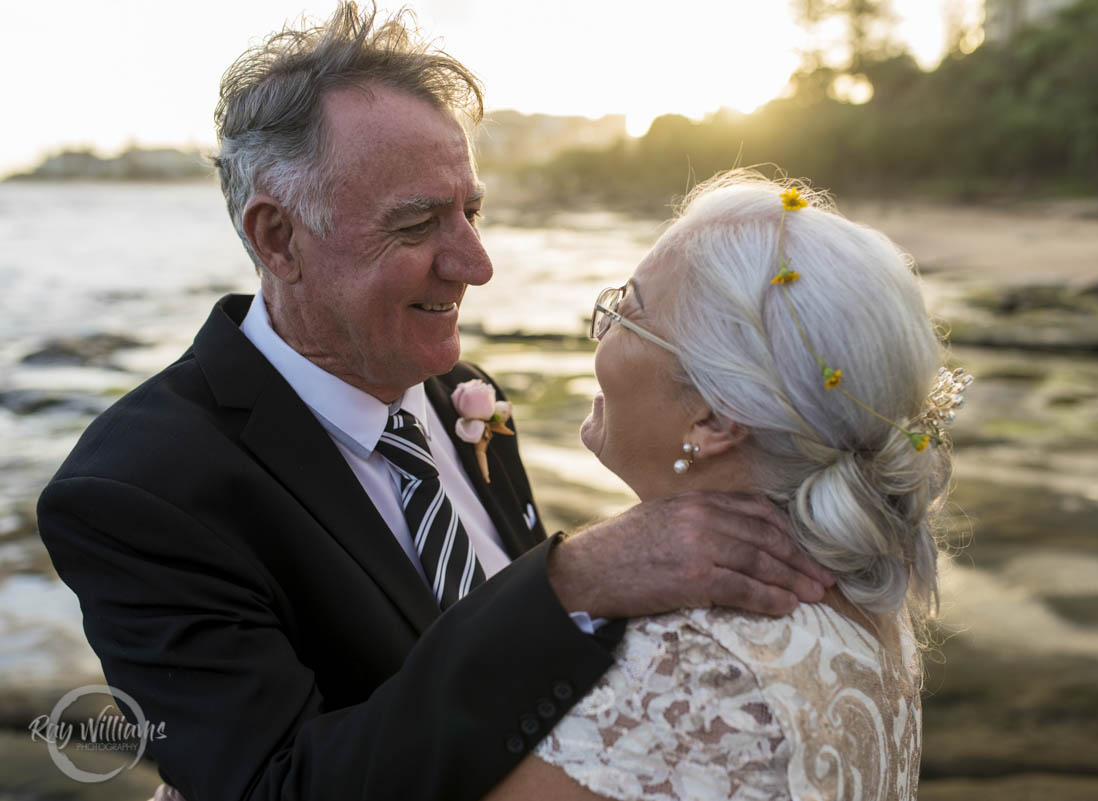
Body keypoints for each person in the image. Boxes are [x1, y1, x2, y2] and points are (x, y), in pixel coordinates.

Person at [36, 6, 835, 801]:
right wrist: (573, 579)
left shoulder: (465, 394)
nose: (477, 264)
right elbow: (278, 787)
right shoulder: (136, 491)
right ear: (279, 238)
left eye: (472, 212)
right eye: (418, 223)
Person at [481, 171, 968, 800]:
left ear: (713, 415)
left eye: (627, 314)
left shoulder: (685, 671)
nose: (600, 336)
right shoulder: (866, 595)